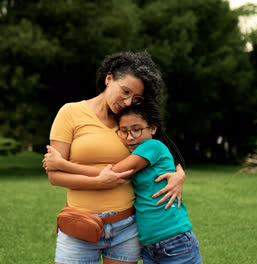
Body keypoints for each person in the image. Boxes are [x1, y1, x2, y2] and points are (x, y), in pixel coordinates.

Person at [44, 51, 186, 264]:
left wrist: (180, 173)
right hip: (80, 227)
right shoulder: (70, 113)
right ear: (108, 79)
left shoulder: (130, 122)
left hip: (126, 229)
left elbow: (162, 146)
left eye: (136, 98)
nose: (128, 102)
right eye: (125, 91)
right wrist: (98, 182)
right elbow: (55, 176)